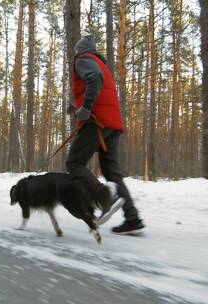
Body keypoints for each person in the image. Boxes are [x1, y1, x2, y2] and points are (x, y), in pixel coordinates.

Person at [66, 35, 145, 234]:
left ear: (80, 50)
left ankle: (105, 196)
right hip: (112, 123)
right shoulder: (101, 64)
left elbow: (94, 79)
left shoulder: (83, 59)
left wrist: (86, 108)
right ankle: (132, 219)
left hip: (96, 122)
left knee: (74, 163)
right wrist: (77, 108)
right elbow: (98, 88)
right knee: (113, 173)